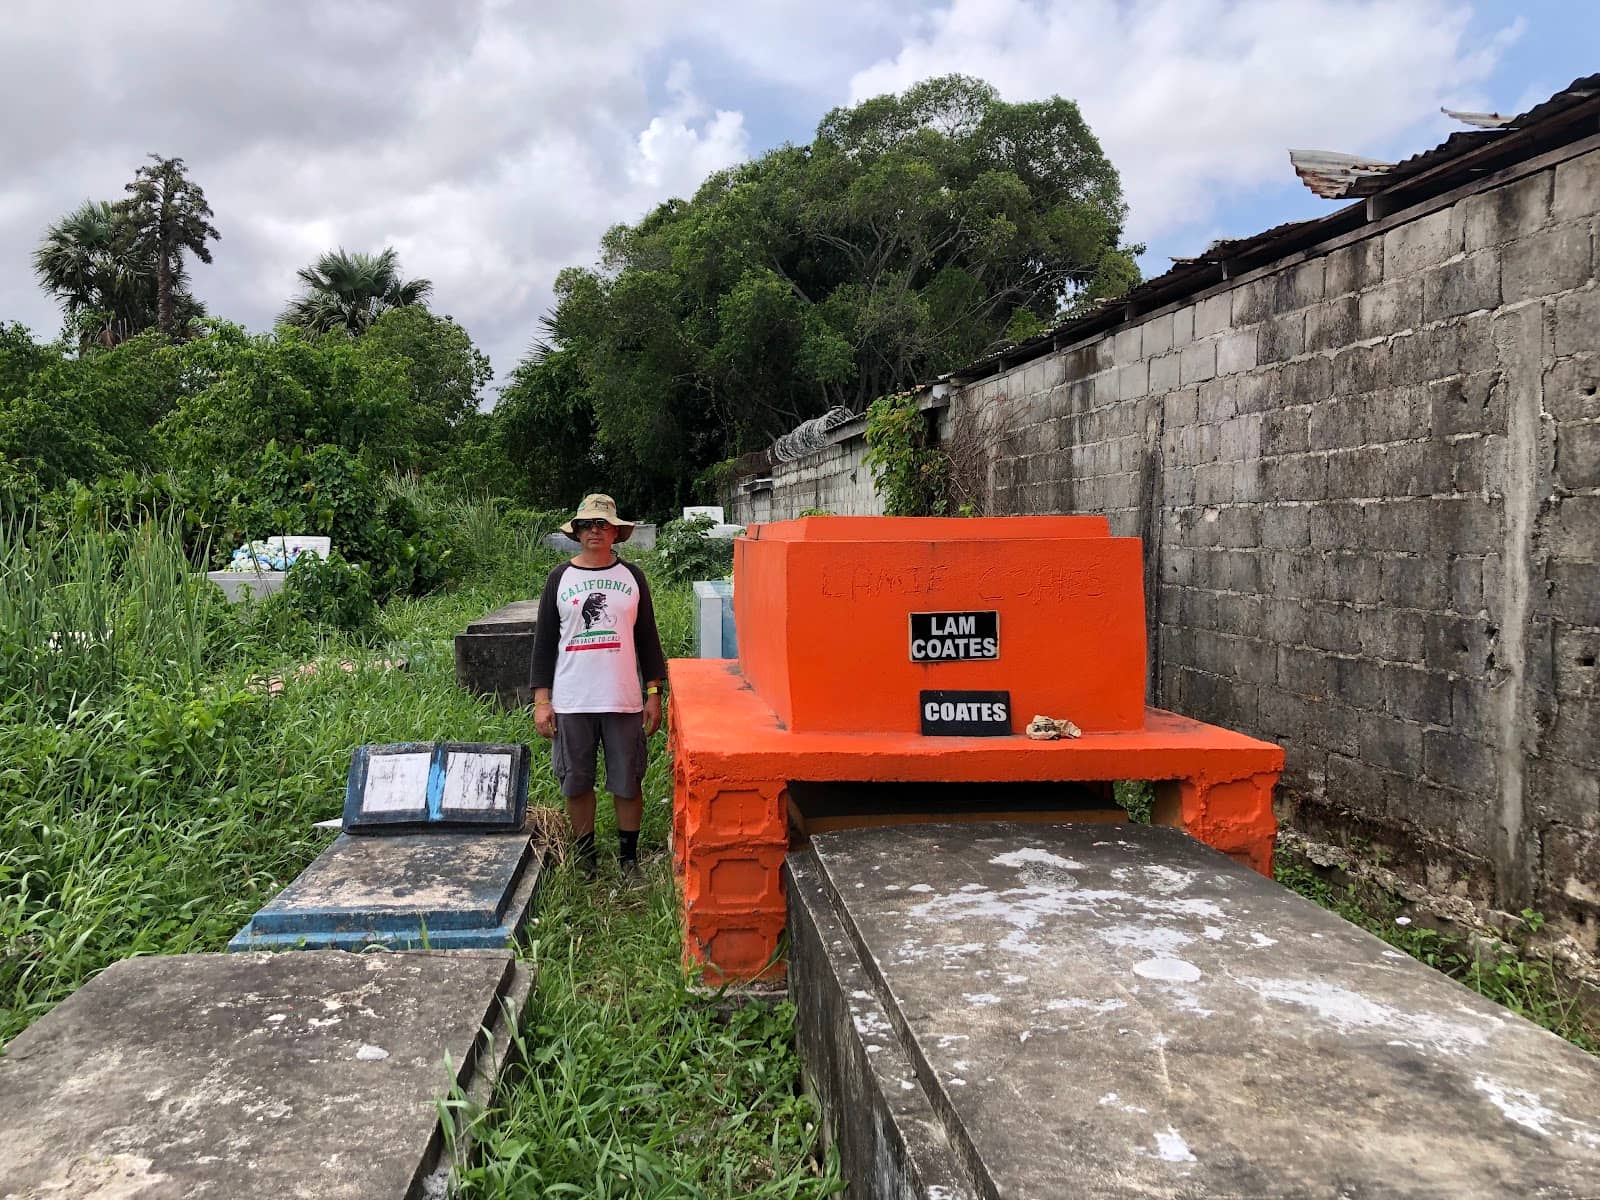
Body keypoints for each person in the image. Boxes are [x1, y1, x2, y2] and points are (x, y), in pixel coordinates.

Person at [529, 494, 667, 878]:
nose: (595, 530)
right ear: (577, 531)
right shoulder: (560, 578)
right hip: (573, 699)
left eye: (603, 524)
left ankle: (628, 860)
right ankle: (587, 859)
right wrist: (543, 700)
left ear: (615, 532)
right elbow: (543, 643)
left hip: (623, 698)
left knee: (627, 781)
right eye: (588, 524)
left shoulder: (632, 577)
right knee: (576, 782)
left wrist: (653, 693)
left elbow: (648, 639)